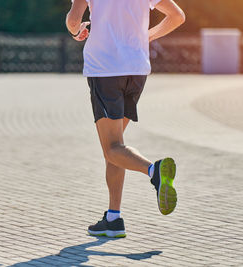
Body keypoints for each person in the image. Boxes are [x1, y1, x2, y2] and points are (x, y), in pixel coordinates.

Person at [66, 0, 185, 238]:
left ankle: (154, 171)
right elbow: (177, 16)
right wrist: (147, 37)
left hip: (105, 69)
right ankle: (113, 218)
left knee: (112, 148)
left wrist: (78, 31)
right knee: (116, 147)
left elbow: (73, 21)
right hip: (136, 69)